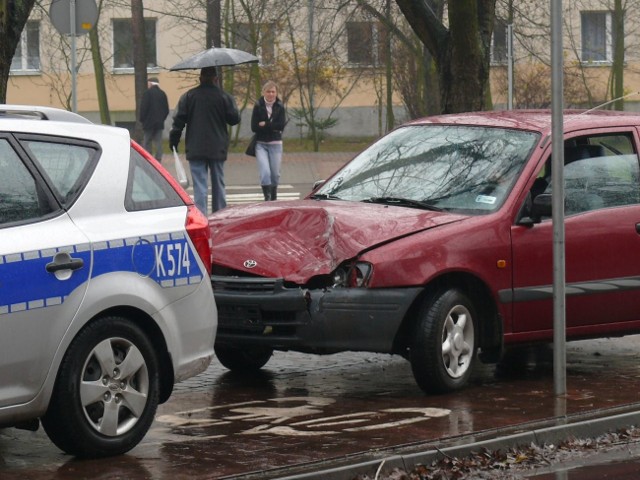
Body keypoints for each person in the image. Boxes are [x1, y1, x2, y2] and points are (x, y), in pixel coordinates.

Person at [169, 67, 240, 214]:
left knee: (199, 186)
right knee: (218, 184)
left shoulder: (189, 96)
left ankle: (202, 217)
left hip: (196, 147)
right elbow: (234, 119)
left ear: (200, 78)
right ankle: (219, 215)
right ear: (216, 79)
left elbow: (178, 121)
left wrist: (174, 140)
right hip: (217, 146)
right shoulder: (223, 97)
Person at [250, 80, 287, 201]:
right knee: (265, 172)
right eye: (268, 91)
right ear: (264, 92)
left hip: (276, 144)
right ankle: (267, 197)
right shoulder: (258, 105)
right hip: (261, 144)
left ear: (276, 93)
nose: (271, 94)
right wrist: (272, 126)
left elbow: (281, 125)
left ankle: (274, 198)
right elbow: (254, 127)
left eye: (273, 92)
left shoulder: (280, 106)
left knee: (275, 174)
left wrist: (265, 124)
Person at [140, 77, 170, 163]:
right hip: (159, 123)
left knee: (147, 141)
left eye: (148, 83)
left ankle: (148, 159)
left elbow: (143, 108)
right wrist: (162, 119)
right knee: (158, 142)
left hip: (148, 123)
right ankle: (158, 159)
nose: (148, 85)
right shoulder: (162, 94)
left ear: (151, 83)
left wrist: (142, 119)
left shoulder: (147, 93)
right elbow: (166, 110)